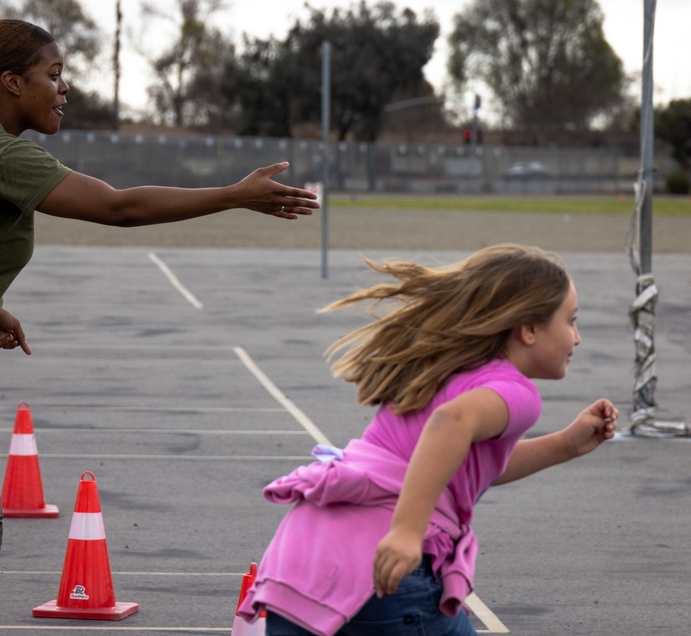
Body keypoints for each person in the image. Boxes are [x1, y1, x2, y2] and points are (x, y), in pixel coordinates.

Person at [0, 19, 318, 636]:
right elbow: (118, 207)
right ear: (12, 83)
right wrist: (233, 195)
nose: (64, 88)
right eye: (54, 74)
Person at [238, 244, 619, 636]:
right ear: (529, 328)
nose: (577, 337)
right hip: (387, 570)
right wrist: (407, 530)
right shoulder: (518, 393)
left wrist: (566, 444)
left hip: (305, 553)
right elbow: (450, 422)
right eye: (571, 321)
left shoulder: (441, 368)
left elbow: (457, 466)